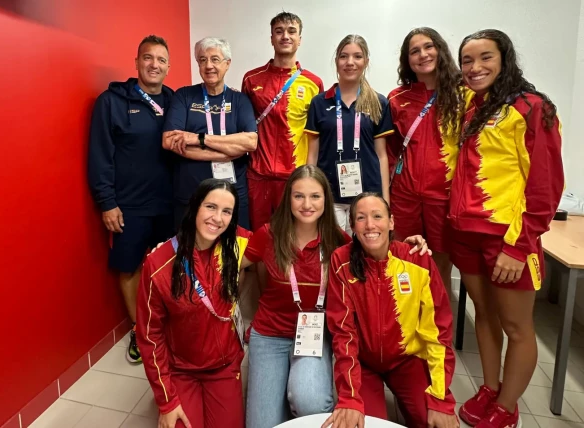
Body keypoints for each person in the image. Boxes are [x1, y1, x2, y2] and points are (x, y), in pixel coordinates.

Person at [241, 165, 430, 428]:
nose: (307, 204)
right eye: (298, 196)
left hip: (315, 334)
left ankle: (293, 394)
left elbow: (379, 250)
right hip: (270, 334)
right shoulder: (267, 235)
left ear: (326, 200)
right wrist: (179, 248)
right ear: (288, 199)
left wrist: (410, 246)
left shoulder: (340, 242)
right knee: (262, 425)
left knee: (312, 402)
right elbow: (230, 261)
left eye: (315, 196)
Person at [452, 30, 564, 428]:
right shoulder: (472, 106)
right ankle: (490, 386)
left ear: (504, 59)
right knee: (483, 314)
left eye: (485, 57)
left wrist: (519, 246)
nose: (475, 67)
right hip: (466, 232)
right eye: (467, 60)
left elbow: (546, 186)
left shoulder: (532, 108)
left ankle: (508, 404)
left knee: (517, 326)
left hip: (508, 236)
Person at [324, 193, 458, 428]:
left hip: (408, 360)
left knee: (434, 421)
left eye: (377, 216)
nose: (370, 225)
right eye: (361, 218)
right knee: (365, 424)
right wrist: (350, 396)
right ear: (353, 226)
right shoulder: (342, 260)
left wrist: (440, 398)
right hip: (363, 364)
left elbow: (438, 331)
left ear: (391, 222)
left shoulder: (417, 260)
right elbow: (343, 333)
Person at [135, 178, 251, 428]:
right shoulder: (159, 264)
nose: (217, 218)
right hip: (181, 371)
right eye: (210, 207)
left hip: (224, 367)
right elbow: (150, 337)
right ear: (195, 206)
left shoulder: (237, 242)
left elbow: (281, 239)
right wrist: (167, 401)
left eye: (226, 211)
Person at [88, 35, 174, 363]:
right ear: (136, 63)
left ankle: (167, 325)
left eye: (161, 60)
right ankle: (142, 331)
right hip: (128, 206)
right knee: (129, 268)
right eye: (148, 58)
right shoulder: (111, 102)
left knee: (169, 267)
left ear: (168, 67)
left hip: (169, 204)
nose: (154, 65)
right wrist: (107, 202)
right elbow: (99, 156)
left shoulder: (174, 100)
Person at [388, 28, 468, 297]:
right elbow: (390, 151)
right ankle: (405, 330)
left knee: (439, 267)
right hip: (404, 196)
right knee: (403, 263)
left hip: (443, 197)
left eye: (428, 47)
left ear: (440, 50)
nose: (422, 55)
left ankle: (439, 334)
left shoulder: (463, 95)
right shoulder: (397, 98)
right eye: (414, 51)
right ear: (407, 59)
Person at [163, 37, 257, 230]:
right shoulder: (184, 96)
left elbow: (250, 142)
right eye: (202, 60)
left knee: (236, 251)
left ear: (227, 64)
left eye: (215, 59)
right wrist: (227, 152)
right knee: (190, 253)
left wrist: (200, 139)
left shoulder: (240, 100)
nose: (209, 66)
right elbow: (169, 141)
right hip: (191, 192)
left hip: (232, 193)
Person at [242, 12, 324, 231]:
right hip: (258, 174)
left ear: (300, 39)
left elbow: (317, 133)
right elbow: (245, 126)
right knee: (258, 237)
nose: (285, 36)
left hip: (294, 176)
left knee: (291, 237)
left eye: (291, 31)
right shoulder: (252, 79)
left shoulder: (313, 83)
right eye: (279, 31)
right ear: (271, 38)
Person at [306, 35, 394, 233]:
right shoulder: (319, 102)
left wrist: (385, 202)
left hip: (368, 195)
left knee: (363, 255)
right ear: (336, 61)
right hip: (329, 193)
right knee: (332, 254)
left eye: (357, 56)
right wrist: (310, 193)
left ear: (366, 62)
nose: (350, 62)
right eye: (344, 56)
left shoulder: (378, 102)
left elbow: (382, 156)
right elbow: (312, 153)